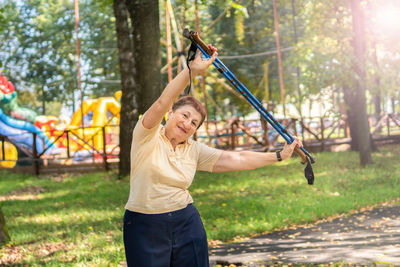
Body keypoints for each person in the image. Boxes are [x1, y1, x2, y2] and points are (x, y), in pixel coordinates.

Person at [123, 44, 302, 267]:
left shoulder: (194, 149)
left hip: (186, 222)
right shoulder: (146, 135)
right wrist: (192, 71)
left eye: (194, 123)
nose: (187, 123)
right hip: (144, 225)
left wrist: (278, 156)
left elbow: (236, 159)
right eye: (184, 115)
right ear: (170, 114)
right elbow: (161, 102)